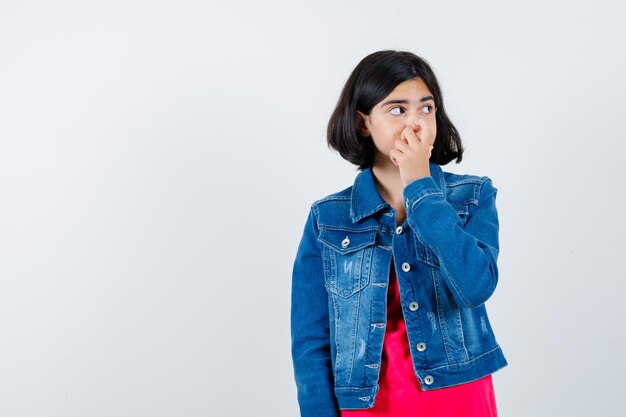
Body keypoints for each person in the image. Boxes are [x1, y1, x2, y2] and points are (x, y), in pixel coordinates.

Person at [290, 50, 508, 417]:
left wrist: (421, 188)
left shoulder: (472, 196)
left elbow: (476, 287)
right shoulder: (327, 218)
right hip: (368, 405)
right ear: (363, 123)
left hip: (457, 398)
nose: (415, 124)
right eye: (397, 110)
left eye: (426, 108)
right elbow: (311, 342)